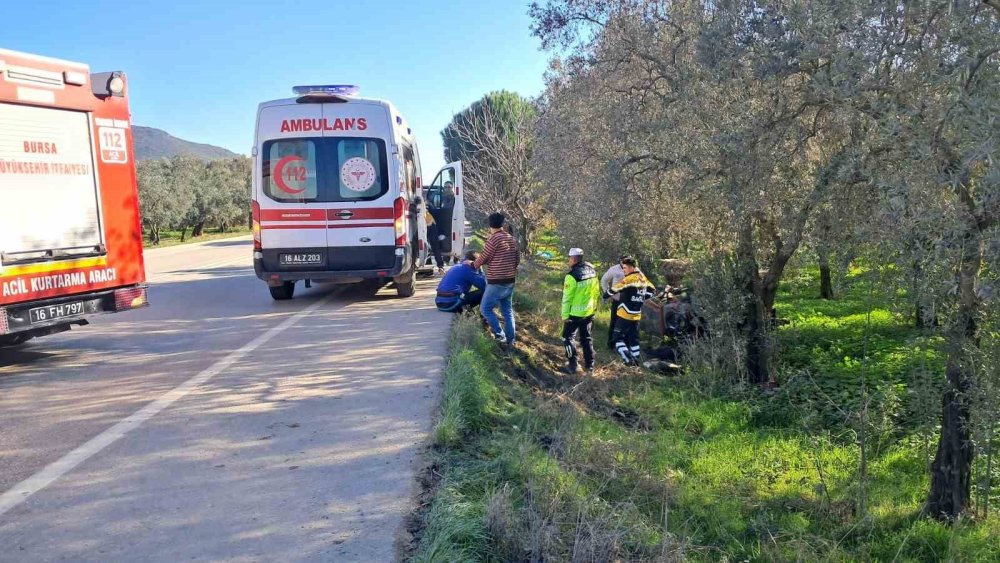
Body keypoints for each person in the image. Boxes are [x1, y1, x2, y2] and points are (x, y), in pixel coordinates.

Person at [473, 212, 520, 348]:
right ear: (503, 223)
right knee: (507, 311)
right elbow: (517, 259)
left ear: (490, 224)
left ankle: (500, 336)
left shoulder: (493, 239)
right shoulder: (511, 239)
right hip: (510, 281)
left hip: (496, 282)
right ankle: (511, 340)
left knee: (485, 309)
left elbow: (483, 258)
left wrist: (474, 264)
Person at [605, 257, 656, 366]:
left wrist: (606, 295)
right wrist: (641, 297)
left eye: (625, 268)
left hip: (624, 314)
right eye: (623, 268)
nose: (624, 270)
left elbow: (615, 289)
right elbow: (652, 290)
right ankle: (636, 361)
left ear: (632, 267)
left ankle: (628, 360)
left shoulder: (629, 279)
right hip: (636, 315)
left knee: (617, 338)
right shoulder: (643, 278)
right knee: (634, 339)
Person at [561, 248, 601, 374]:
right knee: (586, 339)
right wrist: (594, 308)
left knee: (567, 338)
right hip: (589, 312)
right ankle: (590, 366)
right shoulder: (592, 272)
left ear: (573, 259)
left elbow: (567, 298)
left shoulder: (571, 276)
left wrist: (565, 315)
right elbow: (596, 292)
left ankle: (573, 364)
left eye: (569, 258)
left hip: (574, 314)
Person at [600, 255, 629, 349]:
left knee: (628, 322)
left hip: (629, 301)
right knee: (614, 322)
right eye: (623, 260)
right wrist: (608, 294)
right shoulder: (614, 269)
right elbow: (604, 280)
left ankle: (626, 344)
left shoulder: (634, 269)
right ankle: (611, 344)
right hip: (617, 300)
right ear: (620, 261)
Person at [424, 209, 445, 275]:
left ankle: (428, 270)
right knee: (435, 247)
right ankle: (440, 266)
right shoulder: (426, 208)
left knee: (426, 246)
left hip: (426, 226)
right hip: (430, 225)